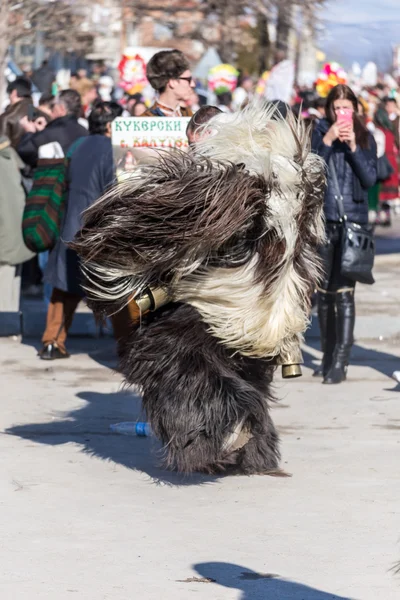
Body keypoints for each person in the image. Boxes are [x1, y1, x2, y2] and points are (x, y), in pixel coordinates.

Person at [72, 102, 325, 474]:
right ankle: (253, 451)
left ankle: (217, 433)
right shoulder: (292, 176)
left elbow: (197, 227)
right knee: (246, 370)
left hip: (224, 298)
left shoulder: (233, 175)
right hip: (266, 301)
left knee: (166, 357)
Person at [38, 102, 125, 360]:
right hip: (100, 230)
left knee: (63, 288)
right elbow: (115, 190)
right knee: (117, 287)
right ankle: (128, 346)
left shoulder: (79, 145)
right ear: (111, 125)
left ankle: (52, 342)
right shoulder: (115, 150)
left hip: (71, 223)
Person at [312, 84, 377, 384]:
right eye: (337, 108)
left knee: (345, 293)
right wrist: (326, 141)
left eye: (346, 108)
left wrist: (352, 148)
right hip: (324, 222)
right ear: (329, 109)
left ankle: (341, 360)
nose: (342, 114)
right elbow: (309, 173)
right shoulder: (317, 134)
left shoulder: (365, 137)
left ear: (355, 109)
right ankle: (326, 355)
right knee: (324, 293)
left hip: (353, 222)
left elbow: (368, 179)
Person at [17, 89, 88, 168]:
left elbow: (25, 151)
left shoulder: (52, 133)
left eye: (53, 106)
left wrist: (29, 132)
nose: (51, 109)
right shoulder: (85, 132)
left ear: (61, 109)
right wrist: (43, 130)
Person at [142, 49, 195, 117]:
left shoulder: (193, 118)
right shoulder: (145, 121)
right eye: (188, 79)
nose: (193, 84)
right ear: (172, 82)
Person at [374, 99, 399, 226]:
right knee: (387, 194)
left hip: (383, 161)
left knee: (381, 191)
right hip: (391, 161)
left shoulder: (379, 131)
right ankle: (386, 215)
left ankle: (381, 216)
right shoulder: (389, 131)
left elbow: (379, 149)